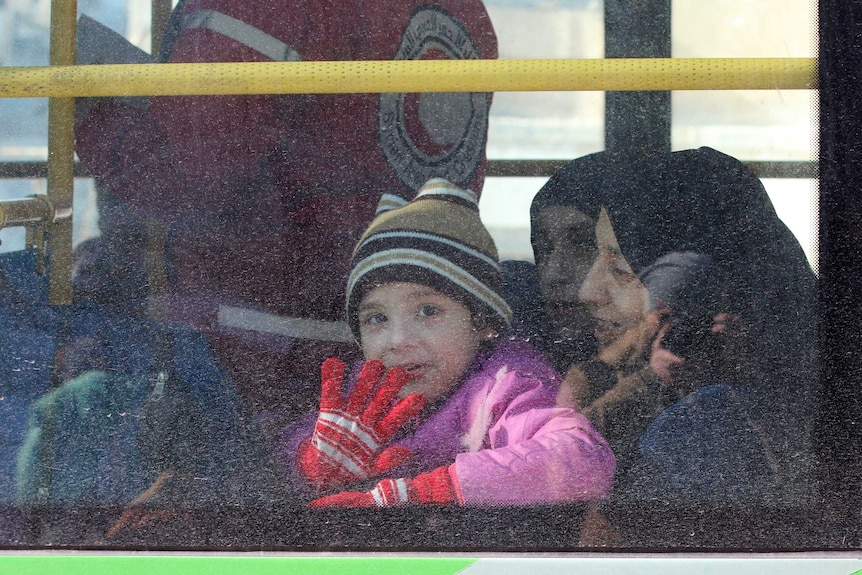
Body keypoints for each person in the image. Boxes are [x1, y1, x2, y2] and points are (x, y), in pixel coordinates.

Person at [74, 1, 498, 427]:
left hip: (251, 345)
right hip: (405, 343)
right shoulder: (466, 9)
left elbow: (188, 175)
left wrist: (87, 93)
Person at [279, 178, 615, 508]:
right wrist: (311, 462)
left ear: (482, 322)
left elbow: (582, 460)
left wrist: (432, 492)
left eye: (427, 311)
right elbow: (285, 448)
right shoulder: (364, 390)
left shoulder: (508, 385)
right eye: (376, 319)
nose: (398, 340)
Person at [530, 148, 819, 515]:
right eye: (543, 247)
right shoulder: (563, 366)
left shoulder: (708, 424)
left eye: (622, 267)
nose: (585, 291)